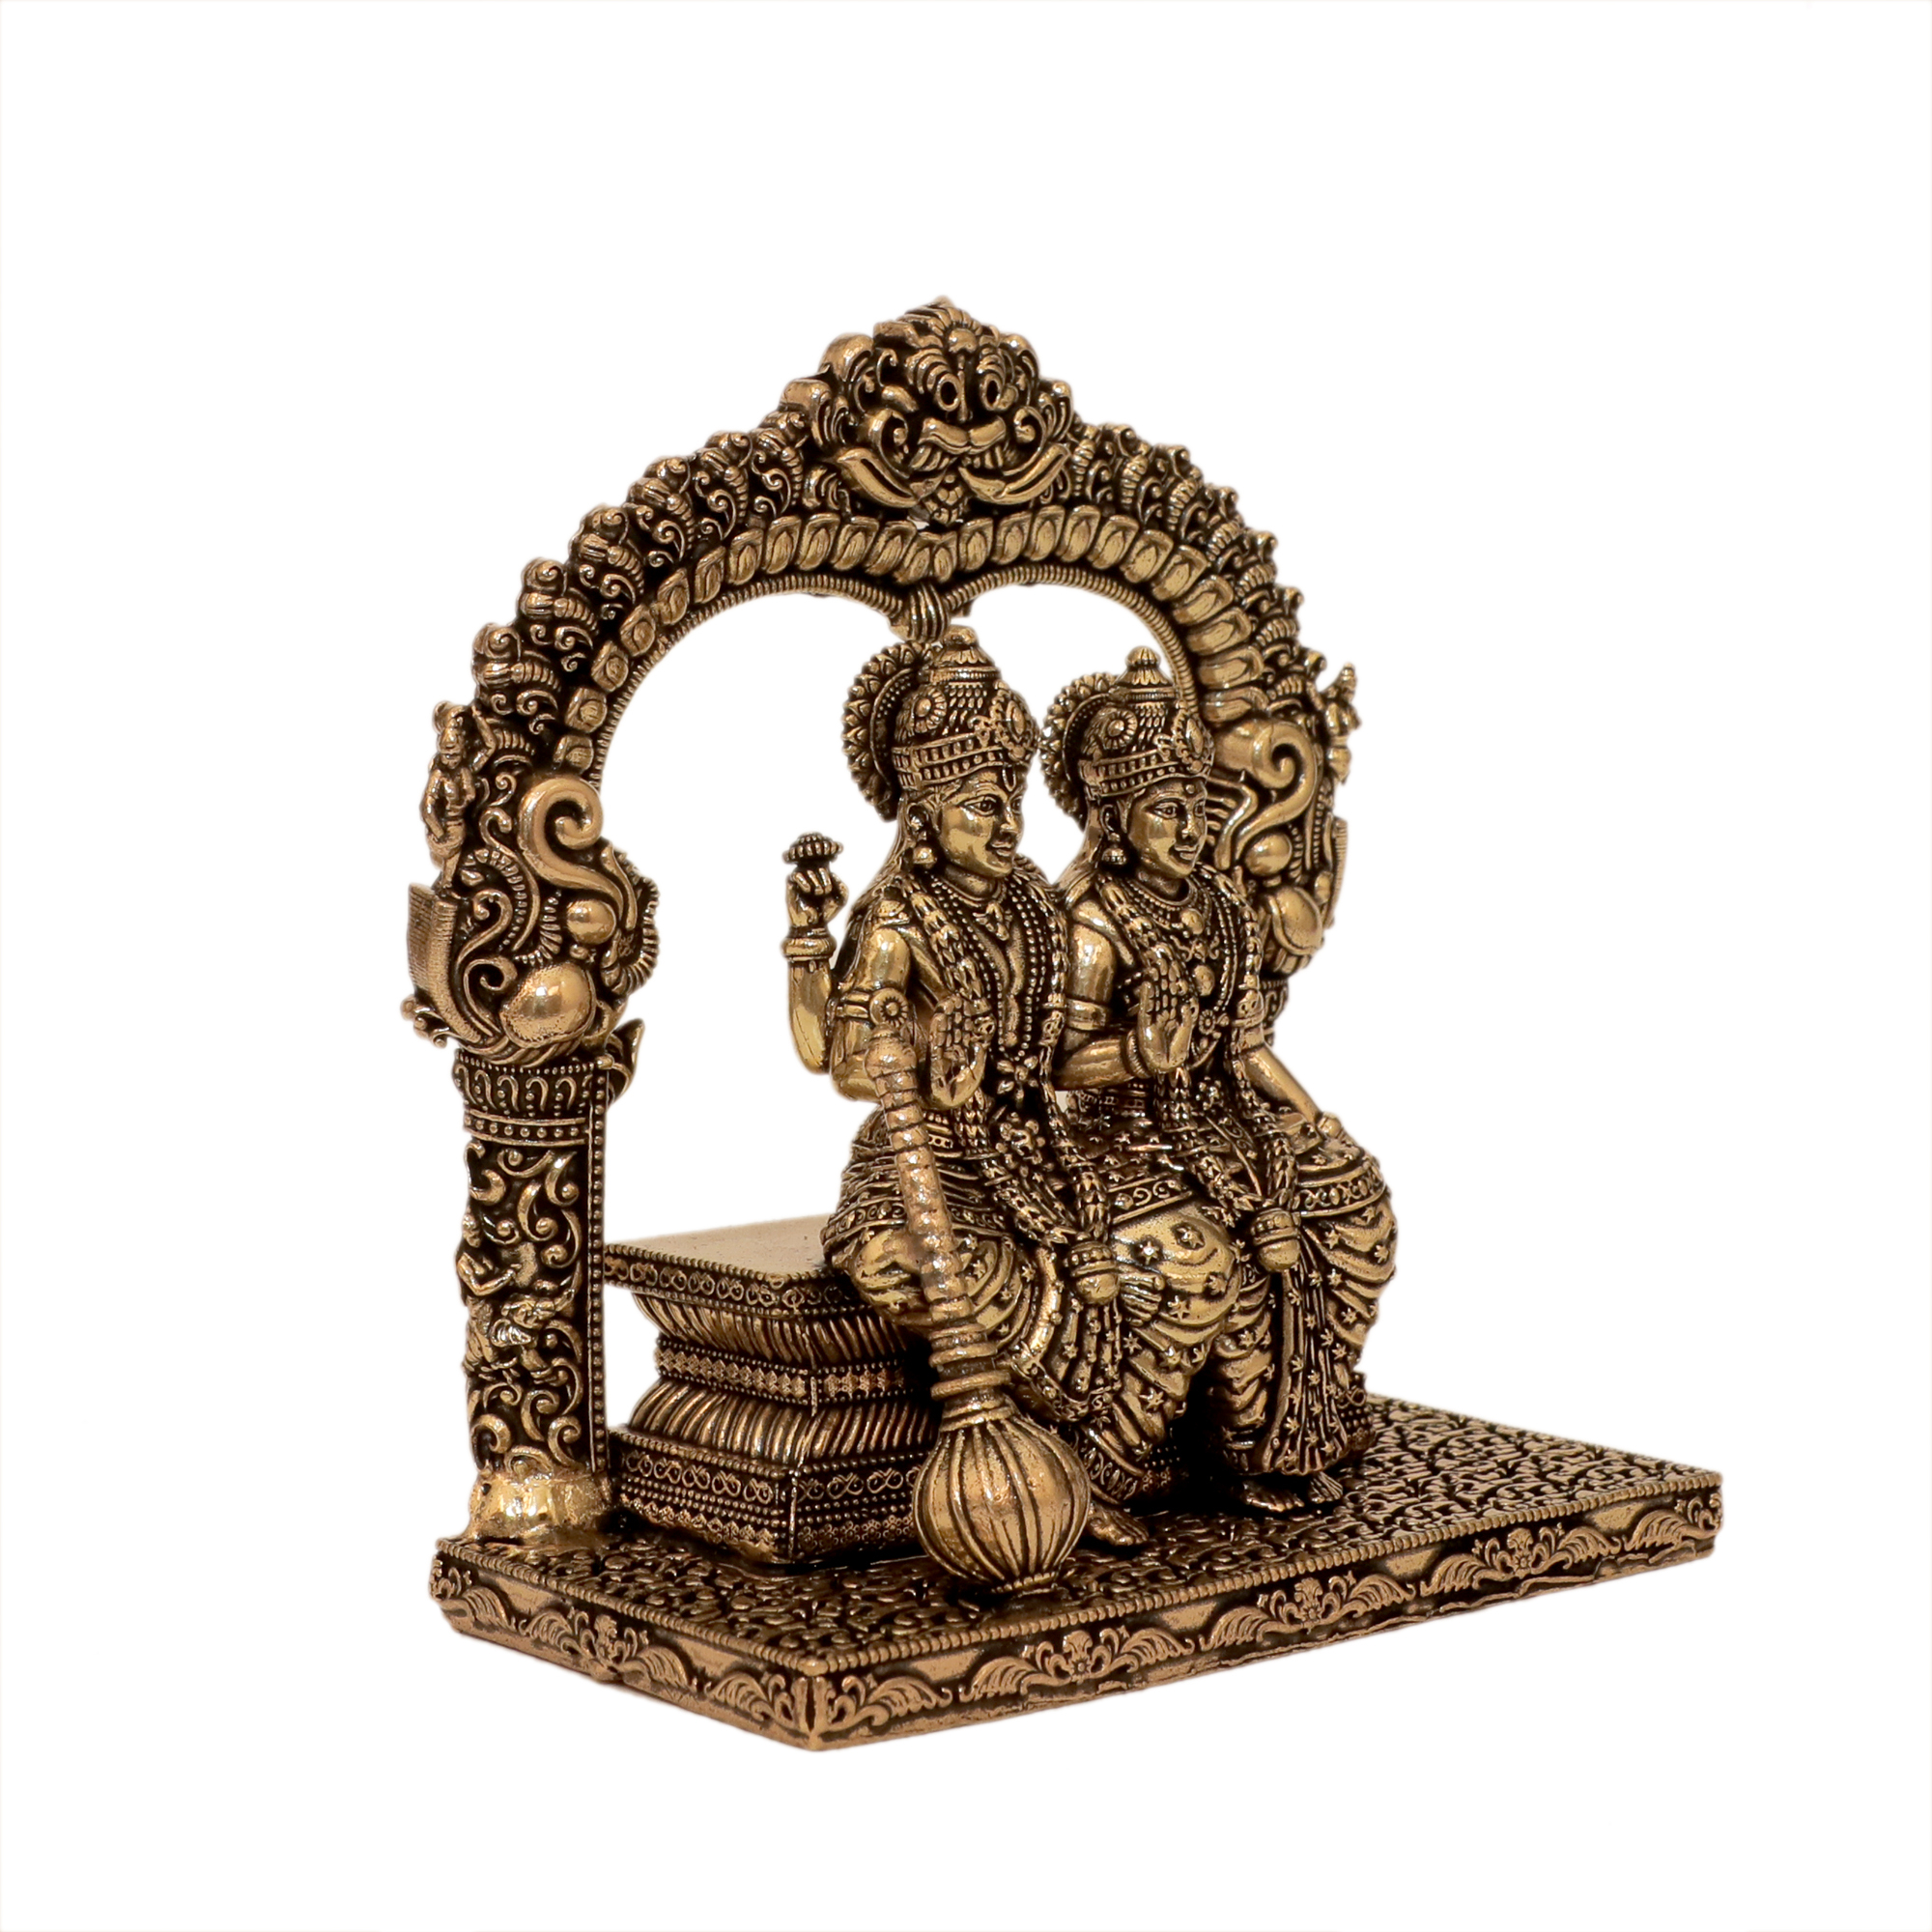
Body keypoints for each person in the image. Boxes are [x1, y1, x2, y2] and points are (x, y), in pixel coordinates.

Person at [784, 628, 1263, 1530]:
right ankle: (1039, 1479)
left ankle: (1103, 1471)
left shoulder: (1037, 908)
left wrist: (1143, 1057)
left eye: (1011, 801)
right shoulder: (896, 921)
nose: (1006, 825)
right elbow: (841, 1062)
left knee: (1184, 1255)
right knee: (942, 1275)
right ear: (925, 818)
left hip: (1040, 1161)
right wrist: (901, 1042)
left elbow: (1057, 1065)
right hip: (921, 1172)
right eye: (980, 806)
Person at [1043, 647, 1398, 1506]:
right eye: (1165, 811)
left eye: (1197, 808)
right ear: (1115, 819)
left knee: (1349, 1196)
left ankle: (1313, 1412)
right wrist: (1139, 1057)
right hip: (1111, 1138)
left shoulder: (1218, 906)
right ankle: (1186, 1451)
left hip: (1218, 1114)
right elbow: (1056, 1069)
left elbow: (1244, 1047)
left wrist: (1313, 1120)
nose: (1190, 830)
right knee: (1216, 1255)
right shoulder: (1087, 921)